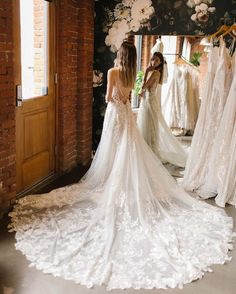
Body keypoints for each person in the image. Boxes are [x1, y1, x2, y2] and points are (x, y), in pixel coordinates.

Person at [9, 41, 234, 291]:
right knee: (128, 150)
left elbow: (108, 98)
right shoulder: (132, 74)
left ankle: (111, 182)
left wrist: (113, 95)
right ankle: (125, 182)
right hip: (127, 116)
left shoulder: (113, 72)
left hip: (116, 114)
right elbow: (130, 96)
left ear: (121, 55)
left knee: (112, 150)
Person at [137, 52, 188, 168]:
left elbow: (145, 86)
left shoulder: (155, 72)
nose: (153, 62)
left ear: (160, 63)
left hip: (150, 101)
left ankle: (150, 150)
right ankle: (145, 148)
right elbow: (143, 88)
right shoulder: (152, 71)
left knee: (150, 125)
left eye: (157, 61)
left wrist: (145, 72)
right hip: (146, 100)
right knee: (145, 124)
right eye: (153, 59)